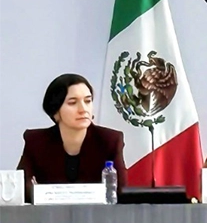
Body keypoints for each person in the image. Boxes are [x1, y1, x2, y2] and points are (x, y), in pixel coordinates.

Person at [16, 74, 126, 203]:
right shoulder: (36, 142)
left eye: (87, 101)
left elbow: (120, 192)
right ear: (55, 112)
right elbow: (21, 190)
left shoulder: (110, 140)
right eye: (73, 103)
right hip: (48, 218)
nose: (83, 109)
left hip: (98, 218)